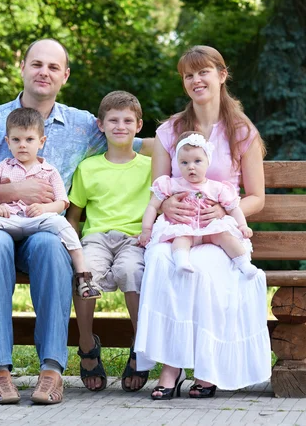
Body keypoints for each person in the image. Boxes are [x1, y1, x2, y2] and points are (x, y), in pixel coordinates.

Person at [0, 38, 153, 405]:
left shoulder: (82, 125)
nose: (43, 72)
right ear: (23, 68)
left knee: (50, 246)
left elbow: (134, 143)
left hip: (44, 228)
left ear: (65, 75)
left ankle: (51, 370)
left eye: (52, 67)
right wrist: (17, 189)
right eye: (36, 64)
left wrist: (200, 149)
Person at [134, 45, 272, 400]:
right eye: (188, 75)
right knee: (164, 262)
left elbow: (256, 196)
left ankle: (208, 368)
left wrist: (226, 213)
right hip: (178, 231)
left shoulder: (242, 132)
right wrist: (167, 208)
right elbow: (160, 189)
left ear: (222, 75)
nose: (196, 80)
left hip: (220, 233)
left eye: (203, 72)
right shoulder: (170, 131)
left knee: (208, 269)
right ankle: (171, 364)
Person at [0, 107, 100, 302]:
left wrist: (44, 208)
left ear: (41, 142)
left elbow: (62, 202)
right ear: (8, 142)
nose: (22, 145)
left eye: (29, 140)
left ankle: (83, 277)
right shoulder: (4, 166)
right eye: (16, 140)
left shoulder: (49, 171)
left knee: (65, 228)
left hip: (37, 220)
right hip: (7, 219)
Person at [66, 91, 152, 393]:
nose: (120, 126)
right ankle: (87, 343)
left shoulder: (150, 167)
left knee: (132, 271)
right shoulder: (88, 168)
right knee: (85, 273)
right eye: (113, 120)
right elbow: (74, 215)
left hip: (134, 239)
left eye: (128, 120)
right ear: (100, 125)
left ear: (139, 126)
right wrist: (71, 246)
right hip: (96, 238)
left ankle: (140, 344)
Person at [139, 131, 258, 279]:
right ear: (177, 164)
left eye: (197, 161)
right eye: (184, 162)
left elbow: (234, 208)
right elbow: (152, 206)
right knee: (180, 239)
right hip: (184, 228)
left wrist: (242, 226)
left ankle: (244, 264)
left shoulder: (217, 188)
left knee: (226, 237)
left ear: (208, 161)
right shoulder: (172, 184)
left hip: (210, 230)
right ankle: (181, 262)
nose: (191, 167)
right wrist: (146, 229)